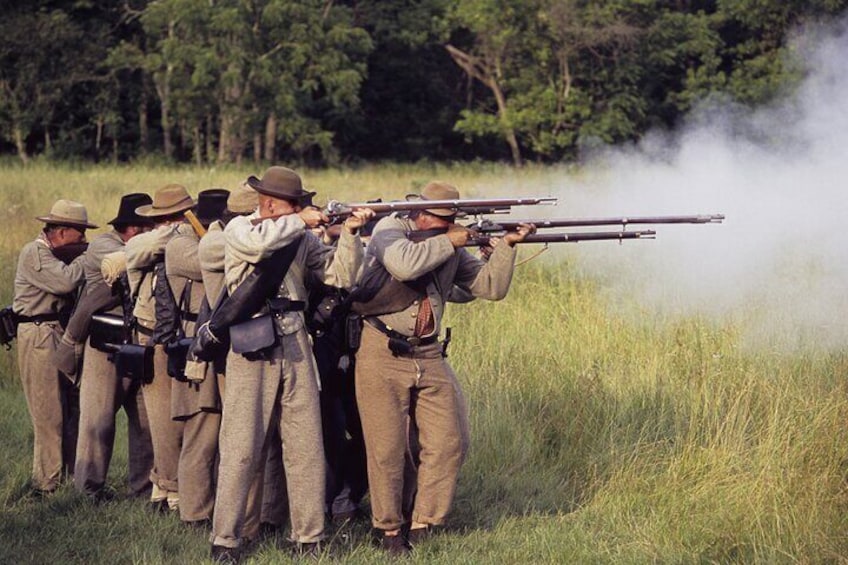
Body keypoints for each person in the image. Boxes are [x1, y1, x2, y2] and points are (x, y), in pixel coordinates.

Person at [351, 181, 534, 554]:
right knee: (386, 449)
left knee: (450, 441)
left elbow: (489, 287)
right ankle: (389, 530)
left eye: (452, 219)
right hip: (381, 351)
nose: (449, 224)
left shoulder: (448, 242)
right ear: (418, 214)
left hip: (430, 353)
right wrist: (451, 239)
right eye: (442, 217)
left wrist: (506, 247)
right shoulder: (391, 230)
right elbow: (403, 264)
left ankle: (423, 523)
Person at [208, 166, 372, 562]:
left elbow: (339, 275)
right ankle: (226, 540)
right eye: (293, 203)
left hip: (295, 339)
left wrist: (349, 233)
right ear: (267, 203)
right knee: (241, 447)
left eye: (300, 204)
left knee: (305, 446)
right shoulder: (241, 230)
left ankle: (308, 536)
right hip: (252, 342)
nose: (301, 208)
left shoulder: (298, 235)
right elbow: (258, 248)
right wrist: (300, 220)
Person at [72, 193, 156, 501]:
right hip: (105, 343)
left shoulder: (138, 246)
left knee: (145, 421)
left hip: (140, 340)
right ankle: (88, 488)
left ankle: (143, 487)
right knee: (98, 419)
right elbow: (123, 265)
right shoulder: (103, 247)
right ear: (133, 229)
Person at [13, 199, 95, 493]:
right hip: (39, 334)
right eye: (80, 233)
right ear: (60, 233)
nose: (84, 239)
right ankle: (47, 484)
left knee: (70, 408)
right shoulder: (34, 252)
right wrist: (92, 256)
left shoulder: (53, 253)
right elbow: (65, 283)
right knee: (48, 412)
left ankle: (71, 478)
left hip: (55, 333)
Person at [126, 184, 196, 512]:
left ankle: (164, 485)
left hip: (171, 336)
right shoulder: (150, 241)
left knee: (174, 416)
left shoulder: (168, 240)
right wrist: (183, 229)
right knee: (162, 418)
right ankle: (167, 487)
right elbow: (140, 248)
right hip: (153, 336)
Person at [164, 188, 228, 526]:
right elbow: (213, 261)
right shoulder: (180, 246)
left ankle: (217, 508)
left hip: (221, 347)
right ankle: (194, 513)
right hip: (195, 351)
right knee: (200, 435)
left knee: (223, 436)